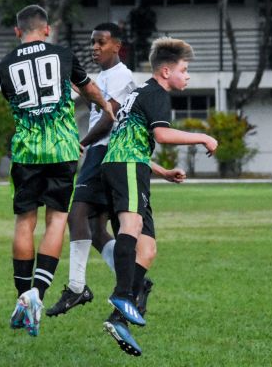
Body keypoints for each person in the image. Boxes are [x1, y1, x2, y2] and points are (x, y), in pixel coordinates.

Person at [46, 23, 183, 318]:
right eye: (92, 42)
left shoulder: (122, 76)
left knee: (78, 215)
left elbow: (109, 119)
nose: (94, 47)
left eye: (100, 42)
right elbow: (101, 107)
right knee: (96, 229)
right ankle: (137, 283)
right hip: (109, 155)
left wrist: (81, 143)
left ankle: (77, 287)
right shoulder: (106, 76)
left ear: (117, 46)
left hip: (104, 151)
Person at [0, 5, 113, 337]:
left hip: (26, 152)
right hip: (62, 149)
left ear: (18, 32)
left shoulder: (4, 65)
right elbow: (87, 87)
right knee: (57, 220)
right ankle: (39, 295)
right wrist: (105, 106)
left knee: (24, 221)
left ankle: (23, 296)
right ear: (46, 29)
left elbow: (15, 102)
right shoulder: (62, 53)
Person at [100, 37, 218, 356]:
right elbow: (161, 135)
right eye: (184, 69)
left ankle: (118, 319)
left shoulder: (142, 92)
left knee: (147, 249)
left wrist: (163, 172)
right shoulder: (156, 93)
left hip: (131, 165)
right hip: (125, 167)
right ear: (166, 71)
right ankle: (123, 296)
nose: (188, 75)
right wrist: (203, 137)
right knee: (131, 226)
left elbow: (130, 139)